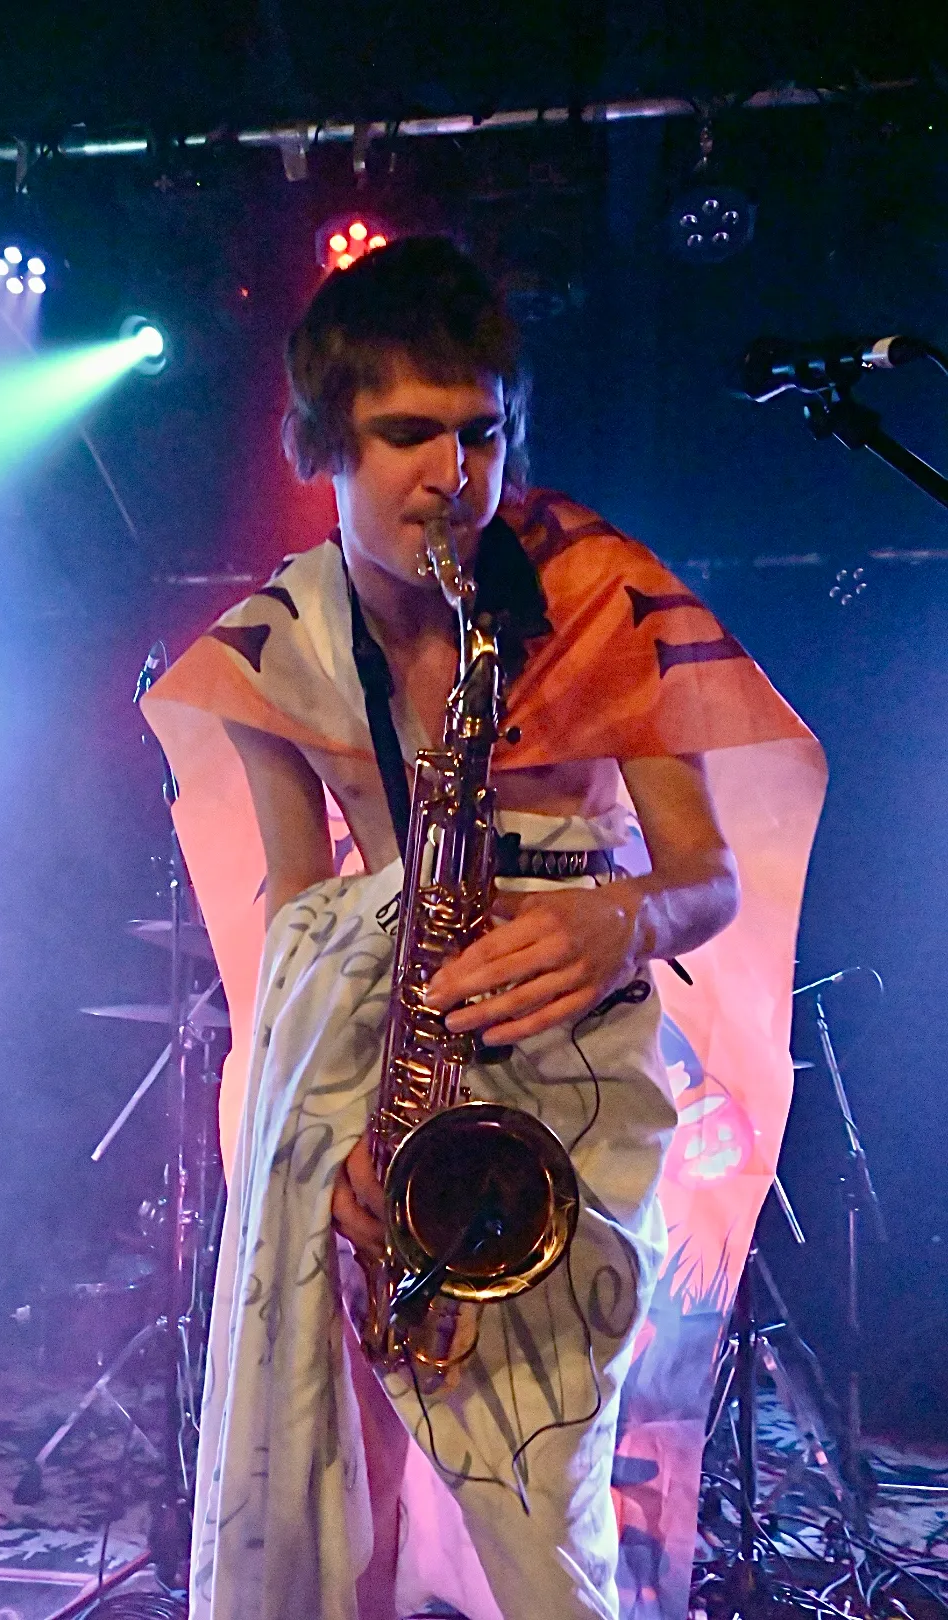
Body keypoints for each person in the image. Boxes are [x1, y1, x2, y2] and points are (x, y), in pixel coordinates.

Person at [143, 237, 825, 1620]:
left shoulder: (594, 592)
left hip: (565, 1074)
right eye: (407, 435)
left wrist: (615, 923)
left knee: (542, 1505)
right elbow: (300, 936)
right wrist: (337, 1144)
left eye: (482, 433)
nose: (453, 474)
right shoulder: (271, 648)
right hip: (380, 1080)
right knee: (343, 1480)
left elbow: (706, 881)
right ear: (322, 444)